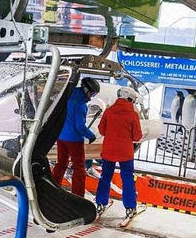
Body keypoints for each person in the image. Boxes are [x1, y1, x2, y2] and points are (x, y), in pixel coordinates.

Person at [95, 86, 142, 220]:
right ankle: (130, 207)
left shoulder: (109, 111)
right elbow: (137, 136)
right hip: (125, 152)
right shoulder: (133, 114)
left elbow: (102, 130)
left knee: (105, 177)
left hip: (108, 150)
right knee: (127, 179)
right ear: (130, 99)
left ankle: (100, 203)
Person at [52, 77, 100, 197]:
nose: (91, 96)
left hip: (61, 136)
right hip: (74, 140)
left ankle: (53, 187)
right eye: (92, 93)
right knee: (79, 168)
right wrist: (90, 135)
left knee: (61, 163)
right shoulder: (81, 104)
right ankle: (78, 194)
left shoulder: (67, 96)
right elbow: (80, 125)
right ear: (86, 89)